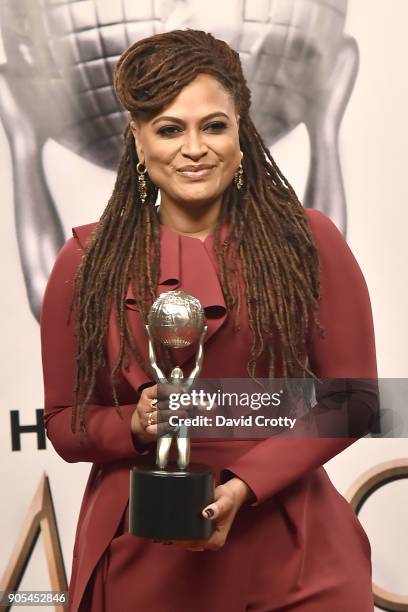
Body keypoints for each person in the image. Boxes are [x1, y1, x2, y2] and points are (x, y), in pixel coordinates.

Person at [40, 29, 378, 612]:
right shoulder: (86, 263)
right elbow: (65, 422)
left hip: (295, 549)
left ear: (241, 135)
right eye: (170, 129)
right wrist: (134, 426)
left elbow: (355, 398)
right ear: (138, 141)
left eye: (213, 126)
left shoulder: (307, 242)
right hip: (147, 545)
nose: (194, 148)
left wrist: (246, 485)